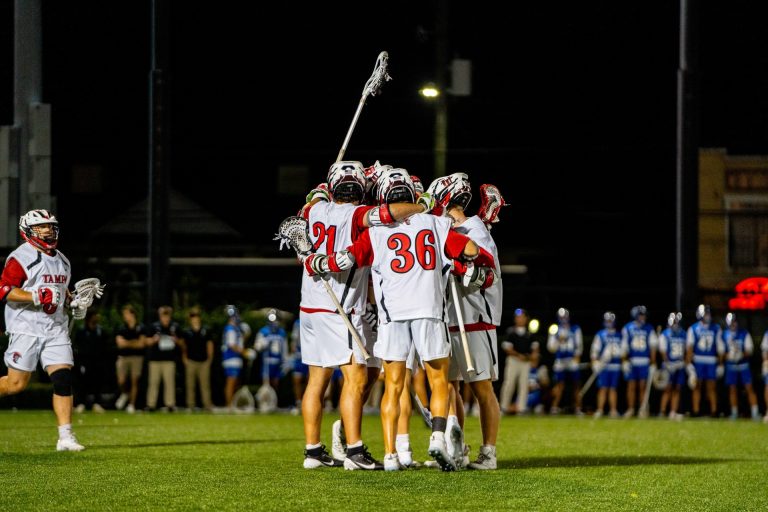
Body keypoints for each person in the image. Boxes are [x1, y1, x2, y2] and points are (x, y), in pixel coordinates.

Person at [308, 168, 494, 471]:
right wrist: (464, 265)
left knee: (394, 385)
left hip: (392, 317)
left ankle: (393, 453)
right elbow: (471, 251)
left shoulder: (376, 231)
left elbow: (344, 260)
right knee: (438, 382)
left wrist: (316, 261)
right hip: (429, 312)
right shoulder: (435, 223)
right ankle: (436, 438)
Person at [297, 160, 432, 470]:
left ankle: (313, 452)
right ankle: (355, 451)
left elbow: (313, 196)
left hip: (310, 306)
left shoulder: (314, 210)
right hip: (341, 307)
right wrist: (421, 204)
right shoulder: (358, 215)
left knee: (317, 381)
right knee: (356, 378)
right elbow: (389, 213)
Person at [432, 174, 503, 470]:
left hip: (475, 318)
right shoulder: (450, 229)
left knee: (481, 388)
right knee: (450, 386)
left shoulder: (474, 229)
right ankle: (456, 448)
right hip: (451, 317)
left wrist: (462, 267)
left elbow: (487, 273)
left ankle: (489, 453)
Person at [0, 209, 84, 451]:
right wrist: (36, 295)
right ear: (27, 230)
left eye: (50, 226)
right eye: (42, 227)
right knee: (15, 385)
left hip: (55, 328)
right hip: (26, 328)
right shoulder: (21, 257)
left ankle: (66, 437)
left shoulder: (63, 260)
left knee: (63, 379)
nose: (48, 230)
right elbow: (5, 290)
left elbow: (61, 294)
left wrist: (73, 302)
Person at [620, 305, 658, 418]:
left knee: (643, 387)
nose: (643, 317)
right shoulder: (627, 328)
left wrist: (653, 362)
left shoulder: (649, 328)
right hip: (632, 361)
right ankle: (631, 409)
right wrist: (624, 361)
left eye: (644, 315)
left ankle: (643, 409)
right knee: (631, 386)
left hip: (644, 361)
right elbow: (624, 346)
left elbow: (653, 347)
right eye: (641, 315)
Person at [500, 308, 539, 416]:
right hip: (513, 361)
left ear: (526, 319)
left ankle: (521, 408)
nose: (519, 319)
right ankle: (503, 407)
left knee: (523, 385)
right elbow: (507, 348)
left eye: (522, 317)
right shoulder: (510, 332)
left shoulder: (530, 334)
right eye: (517, 317)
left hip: (525, 362)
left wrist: (531, 357)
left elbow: (535, 349)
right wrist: (519, 355)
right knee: (509, 383)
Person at [686, 304, 723, 417]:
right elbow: (690, 348)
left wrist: (720, 363)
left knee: (711, 387)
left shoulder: (716, 328)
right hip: (698, 360)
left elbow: (720, 347)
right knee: (697, 386)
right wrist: (689, 364)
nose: (708, 316)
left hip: (711, 360)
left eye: (709, 314)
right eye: (706, 313)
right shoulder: (693, 328)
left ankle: (714, 411)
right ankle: (696, 411)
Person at [721, 313, 759, 420]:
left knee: (749, 388)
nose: (733, 324)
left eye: (734, 322)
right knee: (732, 389)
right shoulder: (724, 334)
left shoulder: (744, 333)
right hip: (731, 365)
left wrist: (741, 354)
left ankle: (755, 412)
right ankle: (734, 412)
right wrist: (728, 356)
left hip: (743, 365)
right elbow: (721, 351)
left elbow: (749, 349)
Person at [72, 310, 111, 413]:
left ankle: (97, 403)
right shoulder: (82, 331)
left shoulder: (100, 331)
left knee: (97, 383)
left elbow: (104, 346)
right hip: (85, 361)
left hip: (97, 362)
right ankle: (81, 403)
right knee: (82, 383)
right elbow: (77, 347)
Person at [547, 307, 583, 415]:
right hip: (560, 360)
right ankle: (554, 407)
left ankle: (578, 408)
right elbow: (550, 347)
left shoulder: (575, 329)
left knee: (576, 384)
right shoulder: (555, 329)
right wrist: (558, 340)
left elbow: (579, 345)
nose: (563, 319)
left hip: (571, 360)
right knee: (559, 385)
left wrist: (577, 356)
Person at [145, 305, 181, 412]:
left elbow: (182, 343)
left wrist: (176, 340)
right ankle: (151, 405)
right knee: (153, 383)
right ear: (160, 316)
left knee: (169, 383)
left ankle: (170, 404)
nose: (165, 318)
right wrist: (154, 340)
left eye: (167, 315)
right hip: (155, 359)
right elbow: (147, 341)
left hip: (169, 359)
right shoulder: (154, 327)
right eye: (163, 315)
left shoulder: (174, 327)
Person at [180, 307, 214, 411]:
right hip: (191, 361)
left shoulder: (205, 330)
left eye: (196, 317)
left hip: (204, 361)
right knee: (190, 385)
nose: (195, 319)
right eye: (192, 317)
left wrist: (210, 358)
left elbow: (210, 345)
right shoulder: (186, 331)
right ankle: (190, 405)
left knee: (205, 385)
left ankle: (207, 405)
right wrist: (184, 358)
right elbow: (184, 346)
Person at [114, 304, 146, 413]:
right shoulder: (121, 328)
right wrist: (133, 342)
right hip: (123, 357)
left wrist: (127, 343)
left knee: (134, 381)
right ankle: (125, 393)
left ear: (132, 314)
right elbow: (120, 344)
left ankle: (131, 405)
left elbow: (141, 344)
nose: (125, 316)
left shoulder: (140, 327)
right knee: (121, 380)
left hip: (137, 358)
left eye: (126, 314)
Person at [590, 311, 622, 419]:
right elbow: (595, 350)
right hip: (604, 366)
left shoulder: (619, 335)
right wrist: (595, 362)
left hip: (615, 365)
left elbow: (623, 350)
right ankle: (600, 409)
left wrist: (617, 353)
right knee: (603, 388)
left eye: (610, 321)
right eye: (607, 321)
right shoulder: (600, 334)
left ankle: (613, 410)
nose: (609, 323)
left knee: (613, 389)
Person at [658, 312, 688, 420]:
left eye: (676, 322)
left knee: (677, 388)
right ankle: (662, 411)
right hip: (668, 365)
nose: (675, 324)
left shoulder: (684, 334)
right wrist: (667, 362)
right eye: (674, 322)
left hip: (679, 365)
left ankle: (673, 411)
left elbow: (687, 350)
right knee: (667, 388)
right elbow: (663, 352)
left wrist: (684, 362)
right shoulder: (665, 334)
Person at [255, 309, 289, 395]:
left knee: (276, 383)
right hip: (266, 361)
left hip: (277, 361)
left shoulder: (281, 332)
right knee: (266, 383)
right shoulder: (263, 331)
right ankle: (265, 402)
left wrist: (285, 361)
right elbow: (257, 347)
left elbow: (284, 348)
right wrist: (264, 343)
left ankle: (274, 402)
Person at [221, 305, 247, 408]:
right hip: (230, 357)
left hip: (236, 358)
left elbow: (239, 343)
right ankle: (229, 404)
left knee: (236, 382)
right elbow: (232, 345)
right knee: (231, 381)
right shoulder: (230, 329)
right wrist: (244, 352)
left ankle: (233, 403)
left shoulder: (236, 329)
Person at [289, 316, 308, 414]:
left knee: (311, 380)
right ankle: (298, 402)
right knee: (297, 379)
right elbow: (294, 340)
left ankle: (308, 403)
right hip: (299, 354)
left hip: (311, 353)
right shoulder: (297, 322)